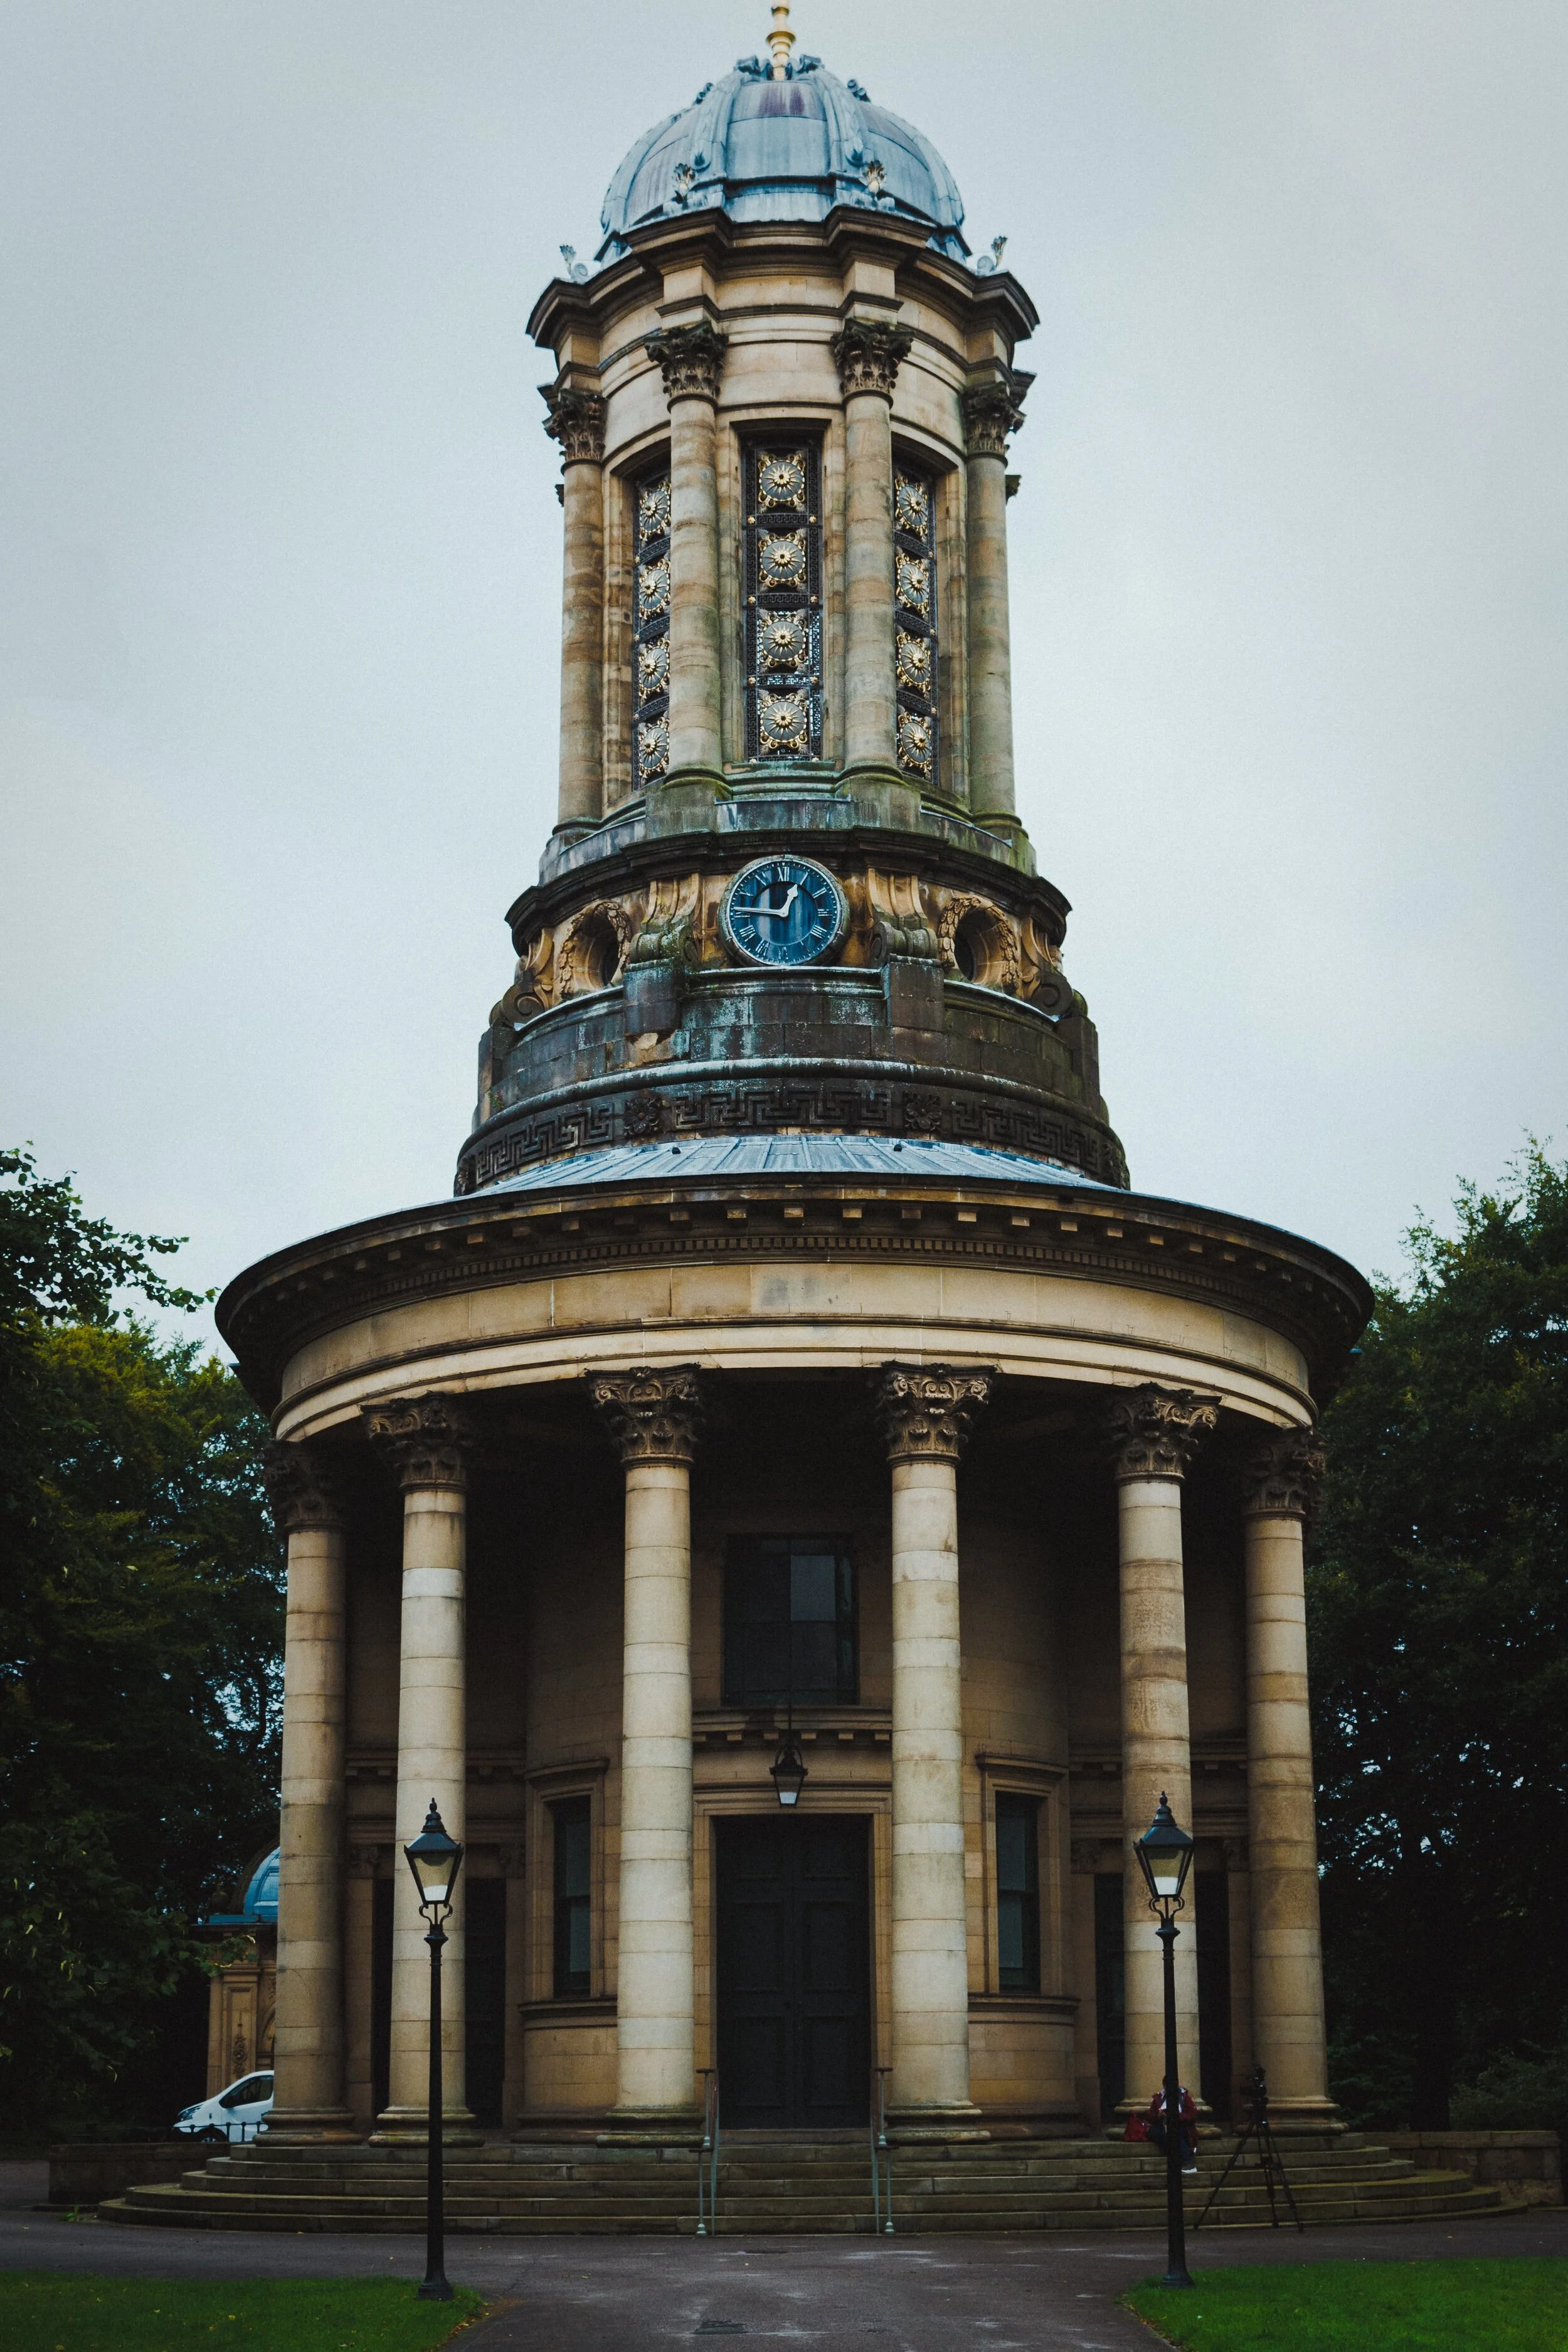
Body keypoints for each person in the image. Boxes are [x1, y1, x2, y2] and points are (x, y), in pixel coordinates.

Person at [1144, 2084, 1199, 2173]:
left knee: (1177, 2133)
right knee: (1154, 2132)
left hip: (1182, 2126)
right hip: (1163, 2126)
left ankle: (1188, 2161)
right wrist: (1159, 2116)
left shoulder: (1184, 2097)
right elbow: (1150, 2116)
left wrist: (1177, 2117)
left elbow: (1192, 2114)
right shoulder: (1159, 2098)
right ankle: (1183, 2153)